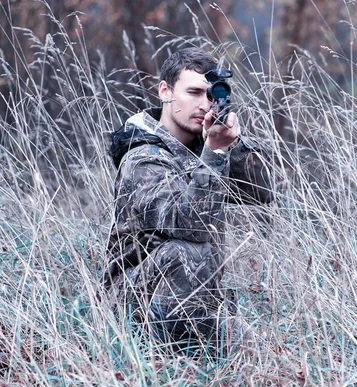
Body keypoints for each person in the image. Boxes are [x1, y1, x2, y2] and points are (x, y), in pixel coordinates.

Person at [103, 47, 273, 353]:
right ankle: (179, 359)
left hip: (187, 297)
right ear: (166, 91)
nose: (203, 104)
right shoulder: (143, 157)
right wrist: (215, 153)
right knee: (187, 252)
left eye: (212, 95)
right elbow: (191, 226)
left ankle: (205, 352)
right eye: (193, 92)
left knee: (257, 348)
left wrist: (230, 143)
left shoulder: (203, 146)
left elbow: (265, 190)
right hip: (131, 306)